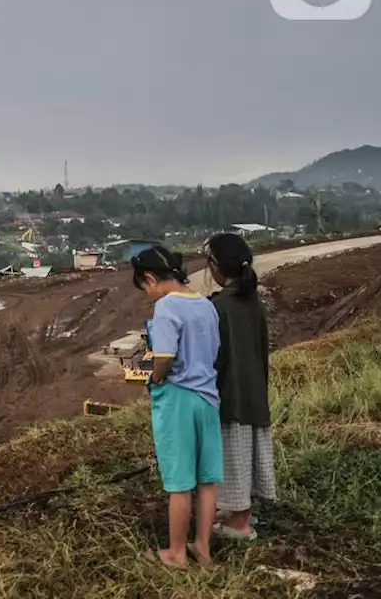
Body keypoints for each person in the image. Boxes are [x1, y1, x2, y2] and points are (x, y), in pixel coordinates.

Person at [132, 245, 223, 568]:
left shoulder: (167, 307)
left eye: (144, 287)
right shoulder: (205, 304)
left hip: (179, 400)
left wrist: (156, 379)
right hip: (208, 398)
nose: (148, 294)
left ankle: (175, 553)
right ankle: (202, 547)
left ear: (150, 278)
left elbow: (165, 356)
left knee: (180, 482)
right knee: (207, 479)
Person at [206, 232, 276, 541]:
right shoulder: (253, 304)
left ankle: (240, 523)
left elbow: (215, 357)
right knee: (246, 454)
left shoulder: (219, 307)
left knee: (233, 454)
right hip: (255, 393)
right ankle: (241, 512)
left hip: (230, 394)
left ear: (217, 266)